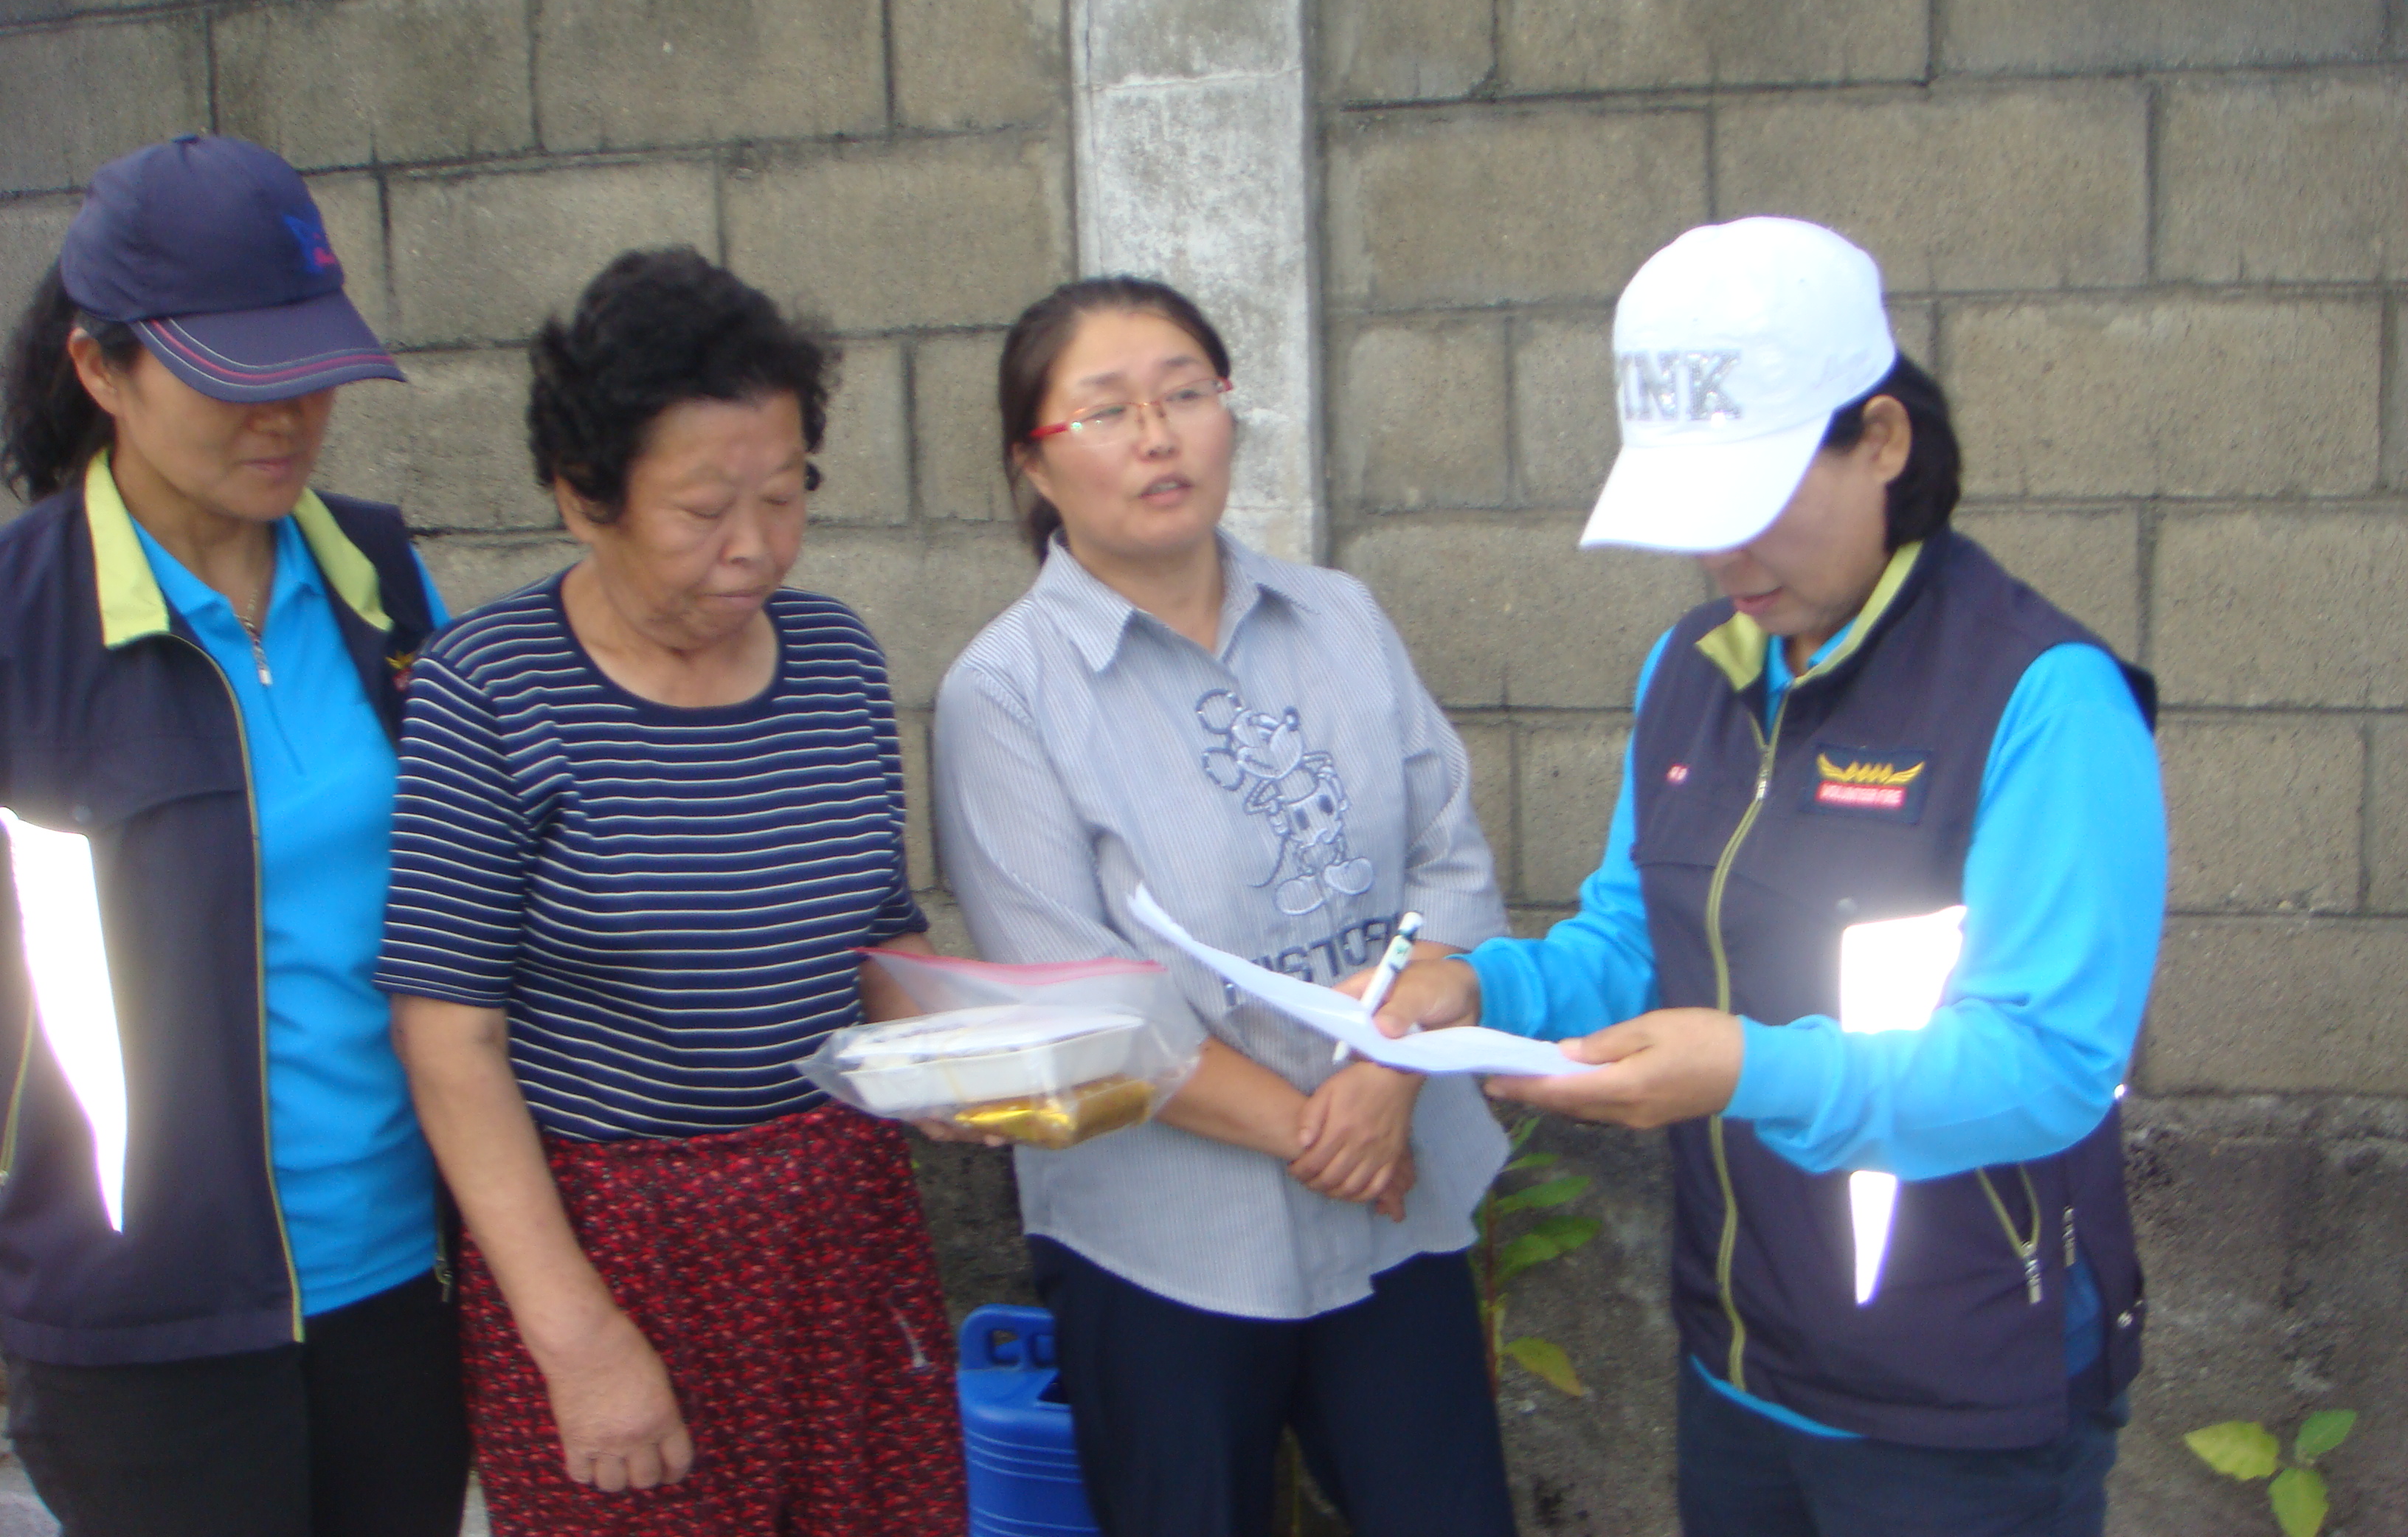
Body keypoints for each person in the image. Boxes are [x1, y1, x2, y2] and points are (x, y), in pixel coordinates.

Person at [1363, 218, 2164, 1537]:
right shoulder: (1695, 669)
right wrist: (1482, 989)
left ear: (1883, 440)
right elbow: (1637, 941)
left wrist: (1748, 1069)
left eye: (1759, 502)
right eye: (1696, 518)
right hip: (1741, 1362)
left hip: (1956, 1399)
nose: (1729, 561)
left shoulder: (2042, 698)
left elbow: (2051, 1064)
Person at [375, 246, 963, 1537]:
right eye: (704, 511)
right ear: (584, 497)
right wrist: (577, 1337)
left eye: (785, 495)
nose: (756, 548)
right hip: (615, 1246)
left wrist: (971, 1070)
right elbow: (448, 1037)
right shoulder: (492, 686)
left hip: (843, 1224)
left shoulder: (836, 658)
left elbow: (880, 936)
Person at [931, 276, 1520, 1537]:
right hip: (1167, 1247)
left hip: (1399, 1202)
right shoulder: (1007, 694)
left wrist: (1388, 1078)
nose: (1159, 436)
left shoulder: (1340, 616)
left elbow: (1453, 867)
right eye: (1108, 411)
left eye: (1186, 394)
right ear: (1033, 463)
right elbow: (1090, 1010)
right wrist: (1335, 1133)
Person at [0, 134, 465, 1537]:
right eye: (234, 377)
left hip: (400, 1282)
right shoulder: (23, 630)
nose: (288, 417)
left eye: (311, 370)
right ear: (101, 370)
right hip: (142, 1323)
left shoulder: (383, 579)